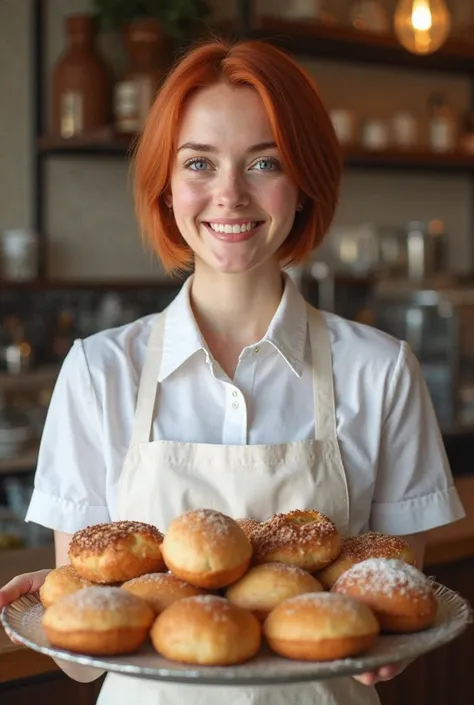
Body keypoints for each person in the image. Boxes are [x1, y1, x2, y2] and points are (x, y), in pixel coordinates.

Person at [0, 38, 465, 705]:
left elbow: (389, 617)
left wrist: (381, 653)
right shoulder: (100, 371)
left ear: (303, 180)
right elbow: (85, 666)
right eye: (199, 163)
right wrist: (59, 613)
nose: (230, 195)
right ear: (165, 184)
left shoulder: (381, 371)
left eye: (264, 161)